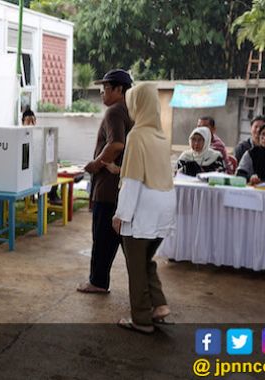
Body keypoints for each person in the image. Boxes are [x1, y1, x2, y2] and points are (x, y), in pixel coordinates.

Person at [112, 83, 176, 334]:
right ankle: (158, 305)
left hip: (143, 211)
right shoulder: (161, 136)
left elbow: (132, 180)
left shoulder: (137, 135)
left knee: (135, 265)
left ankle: (141, 318)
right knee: (144, 259)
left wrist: (121, 215)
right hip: (165, 208)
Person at [78, 69, 133, 294]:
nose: (102, 92)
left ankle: (98, 282)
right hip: (123, 186)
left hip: (109, 186)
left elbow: (116, 144)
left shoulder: (114, 111)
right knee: (123, 241)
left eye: (106, 88)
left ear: (119, 90)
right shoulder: (130, 111)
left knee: (102, 237)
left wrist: (96, 164)